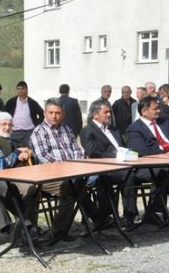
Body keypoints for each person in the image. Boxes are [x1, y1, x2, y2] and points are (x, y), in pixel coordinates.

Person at [30, 98, 97, 242]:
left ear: (63, 114)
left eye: (58, 113)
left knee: (95, 179)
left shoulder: (66, 129)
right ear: (44, 113)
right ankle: (61, 231)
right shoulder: (39, 132)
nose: (54, 116)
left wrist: (76, 165)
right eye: (51, 113)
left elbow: (77, 149)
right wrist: (66, 168)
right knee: (72, 188)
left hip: (73, 173)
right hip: (49, 176)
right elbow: (43, 157)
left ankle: (97, 220)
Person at [81, 99, 144, 228]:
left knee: (148, 172)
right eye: (106, 112)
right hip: (104, 167)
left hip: (124, 163)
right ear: (95, 115)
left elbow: (124, 146)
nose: (109, 115)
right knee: (128, 176)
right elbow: (93, 153)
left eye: (109, 112)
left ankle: (150, 213)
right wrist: (117, 156)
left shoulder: (114, 129)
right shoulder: (88, 131)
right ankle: (128, 216)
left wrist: (130, 153)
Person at [0, 112, 39, 227]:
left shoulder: (13, 140)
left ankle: (31, 227)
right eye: (4, 124)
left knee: (37, 190)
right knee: (31, 189)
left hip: (19, 176)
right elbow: (1, 165)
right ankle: (25, 225)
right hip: (2, 181)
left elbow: (29, 155)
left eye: (10, 125)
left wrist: (27, 154)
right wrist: (18, 153)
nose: (7, 127)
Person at [3, 81, 44, 147]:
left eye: (22, 89)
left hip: (29, 133)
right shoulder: (11, 102)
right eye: (19, 89)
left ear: (26, 90)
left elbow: (42, 114)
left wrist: (36, 124)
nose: (20, 90)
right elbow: (4, 114)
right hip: (14, 132)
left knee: (29, 152)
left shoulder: (32, 102)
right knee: (15, 153)